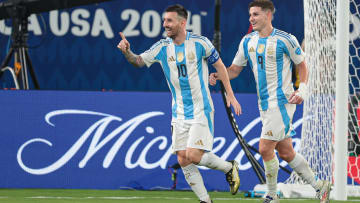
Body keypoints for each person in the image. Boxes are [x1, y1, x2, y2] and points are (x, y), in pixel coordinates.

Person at [209, 0, 331, 202]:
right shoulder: (247, 41)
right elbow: (234, 70)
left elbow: (302, 66)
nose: (251, 18)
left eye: (255, 14)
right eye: (250, 15)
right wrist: (218, 75)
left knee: (265, 148)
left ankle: (272, 196)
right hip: (264, 104)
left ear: (268, 15)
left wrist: (303, 89)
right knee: (285, 152)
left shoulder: (285, 39)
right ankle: (320, 186)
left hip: (282, 102)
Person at [117, 4, 241, 203]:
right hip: (179, 112)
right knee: (183, 158)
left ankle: (229, 167)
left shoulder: (201, 43)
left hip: (202, 109)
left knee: (193, 154)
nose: (165, 24)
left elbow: (220, 66)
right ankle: (205, 200)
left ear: (182, 23)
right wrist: (127, 52)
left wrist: (230, 94)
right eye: (164, 20)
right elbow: (139, 61)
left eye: (169, 21)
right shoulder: (162, 47)